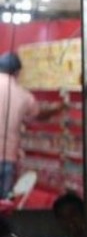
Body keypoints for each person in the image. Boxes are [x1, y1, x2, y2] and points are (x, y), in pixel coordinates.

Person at [0, 52, 63, 198]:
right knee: (3, 204)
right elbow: (39, 114)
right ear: (17, 72)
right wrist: (58, 108)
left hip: (9, 155)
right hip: (8, 156)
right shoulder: (22, 94)